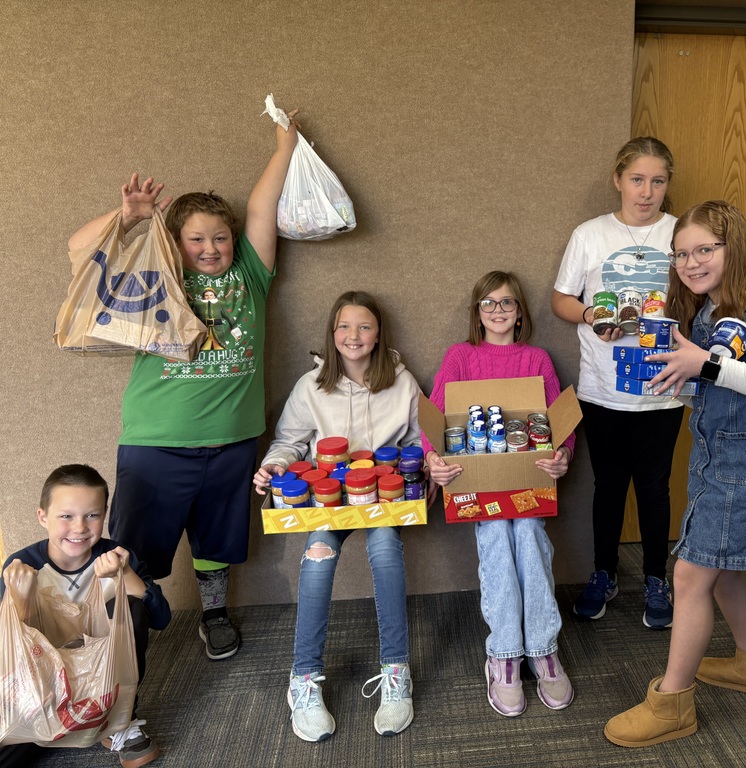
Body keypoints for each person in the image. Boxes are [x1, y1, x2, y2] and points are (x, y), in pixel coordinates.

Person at [66, 106, 299, 662]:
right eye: (197, 240)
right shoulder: (157, 275)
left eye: (219, 238)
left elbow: (263, 207)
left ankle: (214, 613)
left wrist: (284, 146)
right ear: (176, 242)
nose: (211, 249)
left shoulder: (250, 272)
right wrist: (127, 217)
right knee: (131, 549)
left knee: (217, 539)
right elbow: (80, 250)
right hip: (155, 440)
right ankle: (123, 632)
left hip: (234, 438)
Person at [602, 200, 746, 747]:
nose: (690, 263)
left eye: (704, 250)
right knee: (724, 567)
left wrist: (707, 365)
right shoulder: (710, 305)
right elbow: (725, 376)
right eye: (681, 254)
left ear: (733, 246)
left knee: (691, 576)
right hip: (719, 455)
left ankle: (672, 704)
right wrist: (686, 378)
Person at [253, 291, 421, 742]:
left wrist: (424, 464)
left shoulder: (402, 383)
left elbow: (425, 440)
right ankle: (303, 678)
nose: (354, 336)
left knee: (385, 552)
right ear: (332, 334)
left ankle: (396, 671)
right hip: (325, 500)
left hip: (382, 498)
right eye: (344, 327)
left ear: (378, 333)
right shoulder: (312, 386)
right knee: (318, 558)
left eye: (364, 326)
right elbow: (289, 441)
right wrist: (274, 467)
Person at [425, 271, 577, 717]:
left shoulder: (537, 358)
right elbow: (434, 416)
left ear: (520, 312)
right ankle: (505, 654)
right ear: (476, 312)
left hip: (528, 479)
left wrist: (563, 456)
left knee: (528, 533)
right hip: (477, 485)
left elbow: (558, 422)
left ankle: (543, 648)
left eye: (506, 303)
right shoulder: (461, 357)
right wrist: (434, 458)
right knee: (495, 538)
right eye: (488, 303)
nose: (497, 311)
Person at [551, 137, 684, 628]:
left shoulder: (682, 232)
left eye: (658, 181)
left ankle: (655, 578)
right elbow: (560, 298)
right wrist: (589, 314)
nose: (647, 192)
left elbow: (704, 293)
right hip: (603, 387)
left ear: (668, 184)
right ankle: (602, 573)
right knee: (608, 487)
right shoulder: (590, 234)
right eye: (637, 179)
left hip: (664, 385)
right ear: (618, 180)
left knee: (654, 488)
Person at [0, 465, 171, 768]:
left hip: (103, 676)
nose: (79, 527)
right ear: (43, 517)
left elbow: (160, 619)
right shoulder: (22, 565)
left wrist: (126, 574)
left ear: (104, 516)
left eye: (92, 515)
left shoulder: (118, 555)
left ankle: (122, 719)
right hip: (45, 681)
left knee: (129, 606)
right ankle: (60, 721)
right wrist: (21, 601)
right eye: (66, 516)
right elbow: (10, 646)